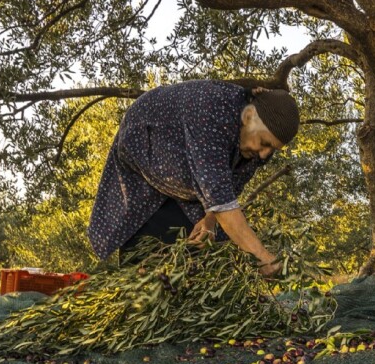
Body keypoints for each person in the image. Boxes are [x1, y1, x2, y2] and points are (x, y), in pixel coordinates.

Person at [87, 80, 299, 276]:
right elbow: (222, 203)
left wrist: (209, 220)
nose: (264, 154)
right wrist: (263, 259)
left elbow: (227, 192)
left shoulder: (256, 148)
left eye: (272, 149)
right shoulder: (210, 112)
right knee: (152, 261)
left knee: (203, 249)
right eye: (264, 143)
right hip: (148, 151)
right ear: (248, 117)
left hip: (190, 179)